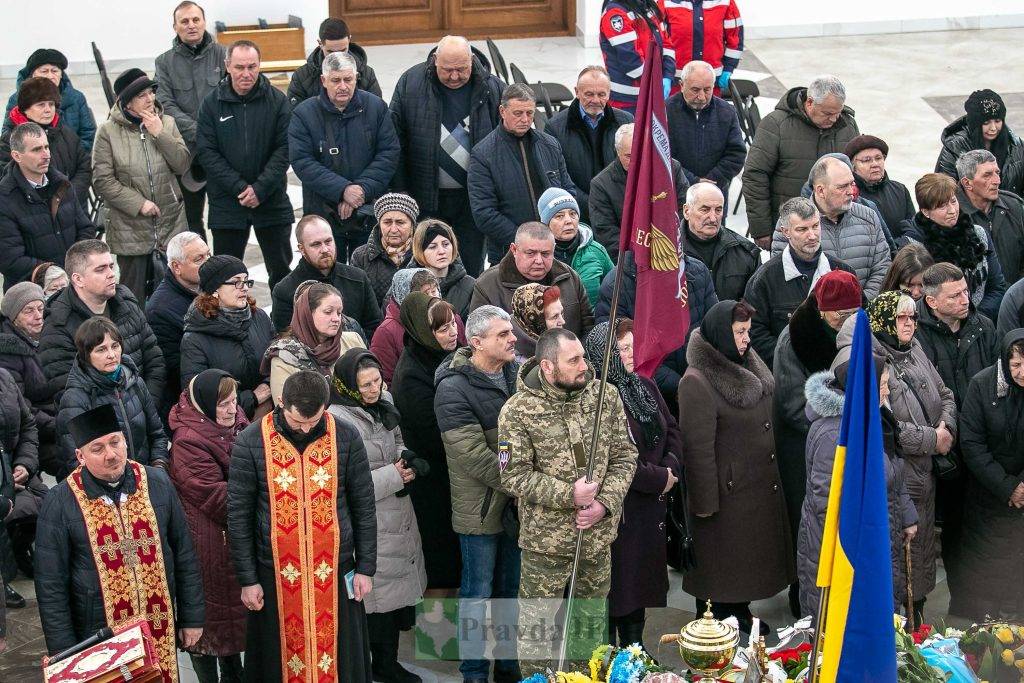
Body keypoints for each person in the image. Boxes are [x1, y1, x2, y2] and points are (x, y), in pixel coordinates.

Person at [500, 327, 636, 674]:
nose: (583, 366)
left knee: (588, 634)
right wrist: (568, 495)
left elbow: (624, 455)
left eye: (583, 357)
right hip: (546, 546)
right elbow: (513, 475)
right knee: (537, 635)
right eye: (572, 360)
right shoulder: (518, 411)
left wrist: (604, 503)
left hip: (595, 540)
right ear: (547, 366)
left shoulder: (605, 395)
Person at [227, 370, 376, 682]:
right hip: (275, 574)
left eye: (314, 420)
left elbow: (363, 506)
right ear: (281, 403)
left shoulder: (346, 436)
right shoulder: (251, 441)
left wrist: (365, 567)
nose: (308, 428)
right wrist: (247, 579)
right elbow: (239, 516)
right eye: (298, 422)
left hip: (334, 570)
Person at [35, 404, 204, 678]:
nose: (111, 455)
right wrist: (64, 653)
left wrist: (192, 618)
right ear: (80, 456)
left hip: (157, 622)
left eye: (115, 443)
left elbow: (184, 553)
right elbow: (51, 585)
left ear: (126, 440)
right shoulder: (60, 502)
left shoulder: (157, 483)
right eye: (98, 449)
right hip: (96, 633)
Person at [678, 300, 793, 633]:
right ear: (721, 335)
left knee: (743, 560)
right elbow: (697, 450)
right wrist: (704, 505)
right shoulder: (697, 381)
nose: (746, 340)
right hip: (725, 493)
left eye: (747, 332)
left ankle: (739, 611)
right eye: (739, 332)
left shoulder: (746, 364)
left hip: (751, 486)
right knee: (720, 564)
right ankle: (714, 620)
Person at [434, 305, 521, 683]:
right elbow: (475, 457)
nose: (512, 339)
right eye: (503, 335)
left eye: (511, 332)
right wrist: (526, 483)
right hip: (481, 512)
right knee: (477, 594)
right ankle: (473, 672)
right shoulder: (452, 388)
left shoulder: (518, 375)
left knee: (510, 591)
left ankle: (507, 666)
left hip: (516, 508)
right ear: (476, 342)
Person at [584, 319, 682, 649]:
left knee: (640, 587)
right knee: (619, 588)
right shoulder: (596, 400)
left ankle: (634, 652)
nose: (629, 354)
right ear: (603, 354)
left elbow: (671, 430)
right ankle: (610, 660)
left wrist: (670, 467)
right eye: (621, 348)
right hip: (622, 510)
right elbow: (612, 457)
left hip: (650, 508)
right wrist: (658, 480)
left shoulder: (644, 385)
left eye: (631, 346)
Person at [328, 350, 425, 683]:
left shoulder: (383, 399)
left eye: (377, 381)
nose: (373, 390)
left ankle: (388, 663)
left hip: (397, 513)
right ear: (348, 386)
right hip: (368, 521)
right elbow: (344, 482)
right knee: (375, 599)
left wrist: (406, 458)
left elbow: (395, 439)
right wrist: (396, 475)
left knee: (395, 596)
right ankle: (368, 666)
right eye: (365, 385)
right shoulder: (338, 419)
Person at [771, 269, 860, 615]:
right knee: (806, 520)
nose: (846, 321)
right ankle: (803, 592)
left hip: (839, 440)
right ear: (822, 310)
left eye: (853, 313)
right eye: (841, 315)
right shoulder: (794, 339)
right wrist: (836, 430)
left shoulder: (853, 333)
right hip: (804, 446)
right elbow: (794, 405)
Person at [799, 358, 917, 620]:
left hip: (877, 539)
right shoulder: (835, 435)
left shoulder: (876, 419)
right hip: (846, 556)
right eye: (883, 385)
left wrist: (907, 514)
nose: (887, 391)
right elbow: (828, 506)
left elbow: (895, 469)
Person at [915, 262, 998, 616]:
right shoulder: (916, 335)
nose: (966, 299)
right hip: (943, 447)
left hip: (981, 443)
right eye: (956, 295)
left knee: (980, 528)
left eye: (965, 291)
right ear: (933, 302)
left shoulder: (982, 326)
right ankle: (959, 604)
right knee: (951, 530)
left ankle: (980, 600)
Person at [866, 291, 956, 620]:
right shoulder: (877, 363)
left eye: (913, 317)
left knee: (922, 558)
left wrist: (947, 426)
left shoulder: (915, 348)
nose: (910, 324)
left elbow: (944, 393)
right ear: (885, 321)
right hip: (903, 477)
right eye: (902, 318)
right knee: (904, 557)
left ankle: (917, 618)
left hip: (927, 474)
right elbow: (886, 426)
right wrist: (934, 439)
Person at [389, 35, 505, 277]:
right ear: (435, 62)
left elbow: (503, 144)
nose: (454, 76)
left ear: (472, 62)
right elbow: (394, 140)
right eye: (447, 70)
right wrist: (400, 189)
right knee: (426, 269)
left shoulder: (492, 88)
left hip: (472, 200)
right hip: (425, 197)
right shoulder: (411, 83)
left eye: (461, 69)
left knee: (469, 269)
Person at [167, 369, 248, 682]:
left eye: (233, 401)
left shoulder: (238, 423)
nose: (231, 409)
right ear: (203, 405)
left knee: (228, 617)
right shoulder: (188, 442)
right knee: (206, 621)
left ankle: (233, 672)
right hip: (204, 542)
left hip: (228, 540)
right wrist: (256, 489)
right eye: (223, 404)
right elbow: (217, 498)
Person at [196, 39, 294, 291]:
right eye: (240, 67)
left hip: (270, 199)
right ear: (227, 66)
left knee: (282, 274)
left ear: (260, 66)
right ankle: (227, 326)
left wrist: (260, 189)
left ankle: (283, 327)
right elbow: (207, 152)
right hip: (228, 202)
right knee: (225, 276)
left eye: (252, 66)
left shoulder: (277, 101)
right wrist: (240, 187)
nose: (246, 74)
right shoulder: (211, 104)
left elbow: (285, 149)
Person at [289, 50, 399, 262]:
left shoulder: (376, 108)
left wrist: (360, 190)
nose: (343, 86)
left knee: (368, 276)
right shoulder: (304, 114)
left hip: (368, 210)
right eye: (336, 80)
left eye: (348, 79)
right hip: (323, 214)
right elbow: (302, 162)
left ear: (356, 78)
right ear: (323, 80)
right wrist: (342, 190)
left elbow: (388, 153)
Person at [93, 67, 191, 303]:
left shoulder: (166, 123)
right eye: (141, 96)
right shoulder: (107, 132)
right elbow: (102, 181)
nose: (150, 99)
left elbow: (182, 165)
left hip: (170, 224)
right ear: (126, 104)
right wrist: (138, 204)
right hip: (130, 229)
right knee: (132, 298)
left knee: (174, 296)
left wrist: (160, 135)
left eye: (151, 92)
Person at [392, 293, 461, 589]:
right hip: (433, 481)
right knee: (441, 561)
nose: (454, 332)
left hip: (451, 476)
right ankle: (440, 632)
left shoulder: (444, 357)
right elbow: (434, 433)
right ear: (424, 331)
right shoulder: (412, 375)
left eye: (453, 324)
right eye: (443, 329)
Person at [468, 84, 581, 264]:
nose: (525, 119)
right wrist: (525, 240)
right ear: (502, 111)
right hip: (509, 252)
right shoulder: (483, 154)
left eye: (529, 113)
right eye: (518, 113)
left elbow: (567, 191)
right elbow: (484, 213)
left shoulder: (550, 145)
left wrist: (557, 228)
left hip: (554, 249)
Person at [39, 240, 165, 400]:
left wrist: (146, 407)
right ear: (78, 279)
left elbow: (154, 360)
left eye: (111, 266)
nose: (111, 274)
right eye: (100, 269)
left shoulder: (127, 303)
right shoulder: (58, 327)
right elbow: (67, 391)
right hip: (102, 421)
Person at [743, 75, 859, 248]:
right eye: (827, 113)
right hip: (791, 230)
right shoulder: (776, 124)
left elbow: (856, 173)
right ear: (810, 102)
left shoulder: (847, 125)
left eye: (838, 113)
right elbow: (755, 176)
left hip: (838, 230)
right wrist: (761, 229)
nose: (834, 119)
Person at [744, 197, 857, 366]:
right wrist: (792, 362)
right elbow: (755, 332)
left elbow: (862, 321)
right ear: (785, 231)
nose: (812, 235)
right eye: (802, 229)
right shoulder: (764, 280)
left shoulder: (844, 272)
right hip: (788, 376)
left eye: (815, 226)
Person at [959, 329, 1024, 620]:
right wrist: (1008, 487)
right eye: (1016, 365)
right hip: (990, 498)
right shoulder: (982, 386)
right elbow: (972, 444)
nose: (1022, 372)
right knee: (990, 578)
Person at [595, 250, 718, 401]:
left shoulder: (697, 271)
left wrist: (705, 378)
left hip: (702, 381)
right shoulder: (616, 285)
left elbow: (715, 331)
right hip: (652, 394)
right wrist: (681, 386)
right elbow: (620, 352)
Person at [56, 317, 168, 477]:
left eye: (115, 346)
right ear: (86, 355)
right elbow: (76, 460)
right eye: (101, 350)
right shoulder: (76, 398)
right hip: (106, 488)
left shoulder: (135, 382)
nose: (111, 355)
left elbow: (157, 434)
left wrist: (158, 469)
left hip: (146, 479)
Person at [770, 155, 891, 298]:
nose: (851, 192)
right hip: (813, 316)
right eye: (842, 187)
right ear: (820, 190)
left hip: (862, 313)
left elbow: (883, 268)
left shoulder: (868, 216)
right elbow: (783, 275)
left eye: (851, 184)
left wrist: (858, 305)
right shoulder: (791, 223)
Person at [154, 0, 227, 234]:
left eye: (196, 20)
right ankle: (198, 268)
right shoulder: (164, 62)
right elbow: (165, 104)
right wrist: (201, 132)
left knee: (225, 217)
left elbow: (232, 100)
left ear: (204, 22)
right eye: (184, 21)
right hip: (186, 154)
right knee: (191, 220)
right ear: (175, 27)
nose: (191, 25)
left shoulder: (224, 56)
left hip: (223, 151)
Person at [0, 122, 95, 291]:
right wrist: (53, 272)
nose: (46, 155)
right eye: (37, 150)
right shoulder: (5, 198)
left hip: (74, 284)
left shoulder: (62, 184)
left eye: (47, 147)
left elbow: (85, 228)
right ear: (16, 156)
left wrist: (75, 265)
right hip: (32, 295)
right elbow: (10, 259)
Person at [180, 255, 274, 420]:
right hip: (229, 423)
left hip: (271, 409)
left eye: (246, 281)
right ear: (215, 289)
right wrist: (252, 398)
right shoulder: (195, 338)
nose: (244, 288)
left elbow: (277, 357)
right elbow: (200, 396)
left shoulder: (259, 316)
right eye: (236, 282)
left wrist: (268, 385)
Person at [902, 173, 1006, 322]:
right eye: (942, 206)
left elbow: (996, 286)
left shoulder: (978, 234)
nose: (952, 210)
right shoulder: (914, 245)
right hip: (934, 327)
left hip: (980, 321)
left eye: (953, 201)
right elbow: (913, 296)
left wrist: (975, 320)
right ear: (926, 212)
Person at [470, 222, 595, 339]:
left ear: (554, 249)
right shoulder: (487, 285)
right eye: (530, 253)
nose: (539, 261)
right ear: (514, 250)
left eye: (546, 254)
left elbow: (588, 327)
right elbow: (479, 336)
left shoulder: (569, 277)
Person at [545, 66, 634, 224]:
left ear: (609, 94)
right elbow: (557, 178)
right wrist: (592, 204)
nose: (595, 100)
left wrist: (611, 204)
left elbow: (633, 168)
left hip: (618, 213)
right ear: (577, 92)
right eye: (589, 94)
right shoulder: (555, 128)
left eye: (601, 94)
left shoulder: (626, 121)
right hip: (577, 213)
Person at [589, 122, 689, 260]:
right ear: (617, 152)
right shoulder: (601, 185)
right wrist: (644, 254)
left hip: (672, 251)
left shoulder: (671, 169)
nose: (638, 161)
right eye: (629, 156)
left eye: (642, 153)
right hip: (631, 261)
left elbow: (685, 211)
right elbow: (607, 234)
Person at [272, 215, 381, 335]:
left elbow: (374, 326)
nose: (325, 249)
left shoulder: (358, 278)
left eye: (328, 241)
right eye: (316, 244)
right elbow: (285, 337)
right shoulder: (285, 291)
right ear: (301, 249)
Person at [666, 61, 746, 213]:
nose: (701, 97)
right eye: (695, 90)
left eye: (707, 90)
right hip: (676, 194)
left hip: (714, 195)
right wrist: (693, 181)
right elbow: (661, 156)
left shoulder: (726, 112)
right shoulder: (665, 112)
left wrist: (711, 181)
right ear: (682, 85)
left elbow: (736, 154)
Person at [146, 231, 210, 417]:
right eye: (199, 259)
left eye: (208, 255)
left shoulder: (213, 285)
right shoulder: (160, 310)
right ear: (177, 267)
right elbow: (175, 368)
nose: (208, 262)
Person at [0, 283, 60, 478]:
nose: (38, 316)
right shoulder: (7, 353)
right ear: (13, 316)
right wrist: (60, 425)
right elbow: (24, 411)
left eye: (41, 308)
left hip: (59, 419)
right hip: (39, 435)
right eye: (29, 311)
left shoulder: (50, 338)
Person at [0, 77, 91, 205]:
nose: (48, 109)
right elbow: (7, 181)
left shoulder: (67, 134)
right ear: (25, 108)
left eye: (51, 104)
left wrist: (67, 196)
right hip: (31, 214)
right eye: (41, 104)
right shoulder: (9, 140)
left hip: (71, 209)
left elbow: (84, 167)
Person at [264, 282, 350, 405]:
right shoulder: (285, 356)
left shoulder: (352, 340)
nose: (336, 319)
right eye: (328, 312)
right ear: (307, 313)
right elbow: (287, 410)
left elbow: (378, 385)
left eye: (339, 312)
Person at [0, 365, 42, 608]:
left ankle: (21, 553)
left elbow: (28, 426)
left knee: (46, 504)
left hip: (16, 471)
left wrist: (24, 464)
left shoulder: (5, 378)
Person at [955, 149, 1024, 286]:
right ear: (967, 183)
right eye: (987, 175)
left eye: (997, 173)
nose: (997, 181)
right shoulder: (952, 214)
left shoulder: (1014, 206)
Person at [3, 48, 96, 150]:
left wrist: (71, 157)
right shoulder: (16, 99)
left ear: (61, 74)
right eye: (44, 71)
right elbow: (8, 137)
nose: (50, 76)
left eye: (55, 71)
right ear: (32, 74)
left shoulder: (76, 98)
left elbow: (88, 134)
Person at [936, 89, 1024, 196]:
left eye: (997, 121)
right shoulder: (955, 148)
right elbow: (944, 193)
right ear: (975, 124)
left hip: (1010, 210)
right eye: (986, 123)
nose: (993, 128)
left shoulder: (1016, 146)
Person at [682, 182, 759, 301]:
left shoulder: (746, 253)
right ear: (687, 211)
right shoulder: (666, 251)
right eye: (705, 210)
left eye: (718, 210)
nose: (713, 218)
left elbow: (757, 302)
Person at [599, 0, 676, 114]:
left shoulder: (649, 7)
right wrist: (656, 81)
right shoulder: (615, 14)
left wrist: (667, 76)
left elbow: (666, 44)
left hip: (650, 95)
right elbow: (631, 62)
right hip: (626, 101)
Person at [539, 187, 613, 306]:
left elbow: (617, 291)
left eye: (573, 214)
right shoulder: (538, 258)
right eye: (559, 216)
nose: (568, 221)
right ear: (546, 223)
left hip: (594, 323)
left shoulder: (597, 251)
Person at [288, 17, 381, 107]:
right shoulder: (302, 76)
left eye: (342, 50)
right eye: (331, 52)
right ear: (320, 43)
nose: (337, 57)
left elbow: (377, 111)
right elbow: (296, 116)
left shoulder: (367, 74)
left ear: (349, 40)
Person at [352, 193, 419, 305]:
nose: (393, 229)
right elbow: (357, 300)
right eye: (387, 222)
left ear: (412, 225)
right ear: (379, 224)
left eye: (400, 222)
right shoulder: (361, 256)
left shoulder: (425, 252)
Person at [664, 0, 744, 93]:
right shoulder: (665, 3)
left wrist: (728, 68)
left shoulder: (725, 2)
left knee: (710, 107)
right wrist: (666, 75)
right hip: (676, 80)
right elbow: (659, 41)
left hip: (711, 81)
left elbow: (735, 38)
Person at [844, 134, 914, 238]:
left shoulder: (900, 190)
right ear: (852, 166)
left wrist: (900, 248)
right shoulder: (848, 195)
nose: (875, 164)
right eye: (866, 160)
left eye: (878, 158)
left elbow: (913, 228)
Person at [412, 219, 475, 319]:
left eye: (446, 244)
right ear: (420, 251)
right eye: (432, 247)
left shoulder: (470, 285)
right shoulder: (406, 285)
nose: (441, 251)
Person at [511, 283, 565, 362]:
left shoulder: (560, 343)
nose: (562, 321)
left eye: (562, 313)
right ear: (533, 320)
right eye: (554, 317)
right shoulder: (515, 362)